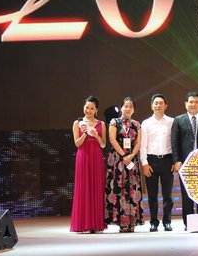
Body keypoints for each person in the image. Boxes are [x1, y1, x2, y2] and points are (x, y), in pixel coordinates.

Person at [171, 91, 198, 229]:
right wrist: (176, 160)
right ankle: (189, 223)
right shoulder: (178, 120)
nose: (193, 104)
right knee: (187, 194)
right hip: (185, 163)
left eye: (196, 102)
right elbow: (174, 142)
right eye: (191, 102)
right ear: (186, 104)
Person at [70, 96, 107, 234]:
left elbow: (103, 144)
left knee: (96, 187)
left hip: (96, 156)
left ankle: (97, 224)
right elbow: (77, 143)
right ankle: (83, 224)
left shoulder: (101, 124)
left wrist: (96, 136)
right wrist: (85, 132)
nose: (89, 110)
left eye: (92, 108)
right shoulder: (77, 123)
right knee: (83, 187)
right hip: (83, 156)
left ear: (96, 110)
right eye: (87, 107)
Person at [106, 97, 143, 233]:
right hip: (118, 159)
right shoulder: (114, 122)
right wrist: (123, 156)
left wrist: (131, 156)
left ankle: (132, 222)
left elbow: (138, 142)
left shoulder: (136, 124)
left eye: (130, 106)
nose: (128, 108)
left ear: (134, 109)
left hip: (132, 160)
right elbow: (112, 140)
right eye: (125, 106)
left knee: (132, 189)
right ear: (121, 108)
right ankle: (122, 222)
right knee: (119, 189)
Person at [140, 94, 175, 232]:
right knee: (152, 195)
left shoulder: (172, 122)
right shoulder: (146, 123)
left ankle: (167, 221)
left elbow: (174, 143)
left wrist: (175, 161)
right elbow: (143, 145)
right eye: (156, 103)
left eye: (161, 103)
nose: (158, 105)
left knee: (168, 195)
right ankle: (154, 222)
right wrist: (144, 163)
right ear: (151, 106)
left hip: (167, 160)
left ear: (166, 105)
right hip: (151, 161)